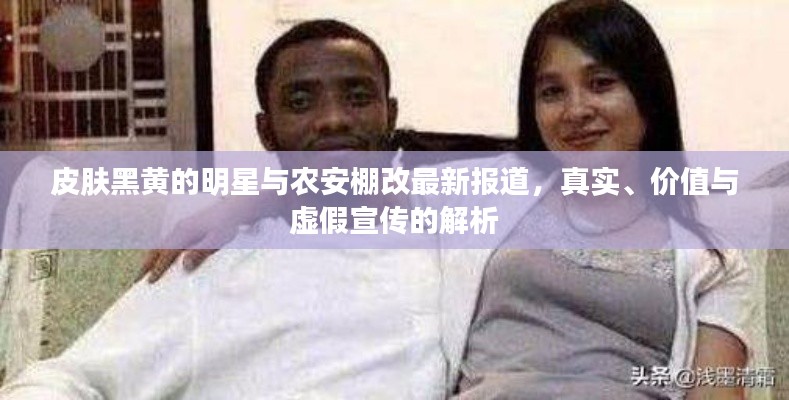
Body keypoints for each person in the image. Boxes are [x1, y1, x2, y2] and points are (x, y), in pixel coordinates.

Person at [0, 20, 450, 399]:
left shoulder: (455, 245)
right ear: (267, 132)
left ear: (390, 115)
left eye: (358, 97)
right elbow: (66, 380)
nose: (333, 118)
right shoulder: (215, 259)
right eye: (299, 102)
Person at [452, 1, 753, 399]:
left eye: (601, 84)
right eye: (552, 92)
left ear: (648, 96)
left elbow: (716, 391)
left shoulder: (714, 261)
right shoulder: (481, 195)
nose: (576, 110)